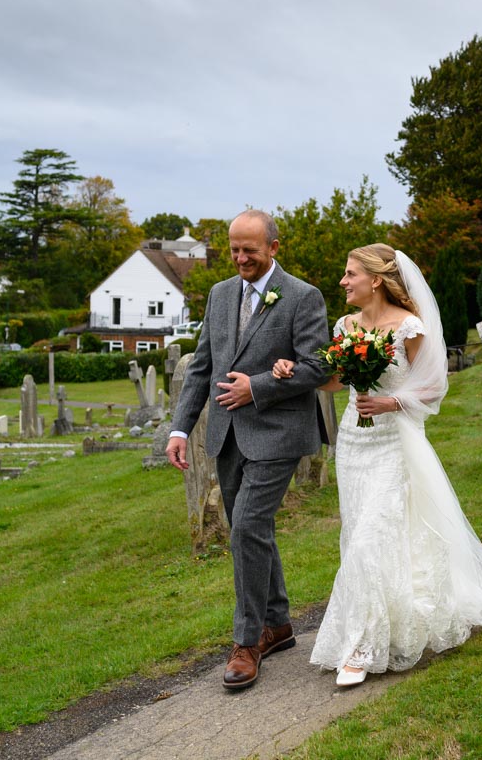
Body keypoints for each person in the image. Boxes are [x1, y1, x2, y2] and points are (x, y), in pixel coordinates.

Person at [273, 244, 482, 688]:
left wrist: (392, 401)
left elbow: (434, 387)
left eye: (350, 273)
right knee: (362, 535)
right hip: (354, 444)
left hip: (396, 443)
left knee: (369, 540)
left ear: (375, 279)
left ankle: (362, 646)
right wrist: (292, 370)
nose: (342, 281)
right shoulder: (347, 326)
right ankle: (390, 619)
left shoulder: (408, 326)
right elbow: (338, 380)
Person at [167, 209, 331, 690]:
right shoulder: (218, 295)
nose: (241, 258)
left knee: (248, 527)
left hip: (279, 431)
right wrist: (180, 429)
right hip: (226, 434)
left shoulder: (303, 296)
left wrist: (257, 386)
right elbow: (202, 367)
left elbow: (318, 365)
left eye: (250, 251)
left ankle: (246, 642)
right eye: (235, 250)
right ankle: (278, 624)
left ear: (274, 248)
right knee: (250, 530)